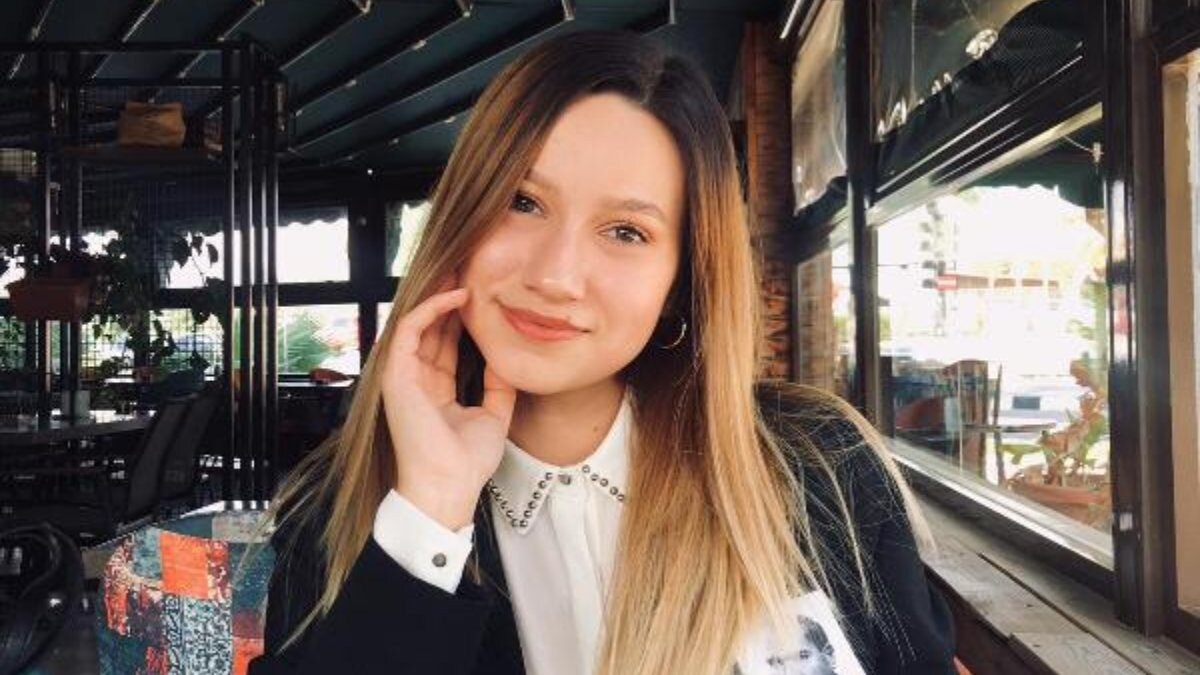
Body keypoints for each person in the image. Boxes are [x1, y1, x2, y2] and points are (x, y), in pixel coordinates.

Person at [249, 30, 955, 675]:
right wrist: (430, 508)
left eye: (625, 232)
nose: (555, 276)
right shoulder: (335, 513)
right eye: (522, 202)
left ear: (681, 282)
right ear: (462, 216)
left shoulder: (821, 469)